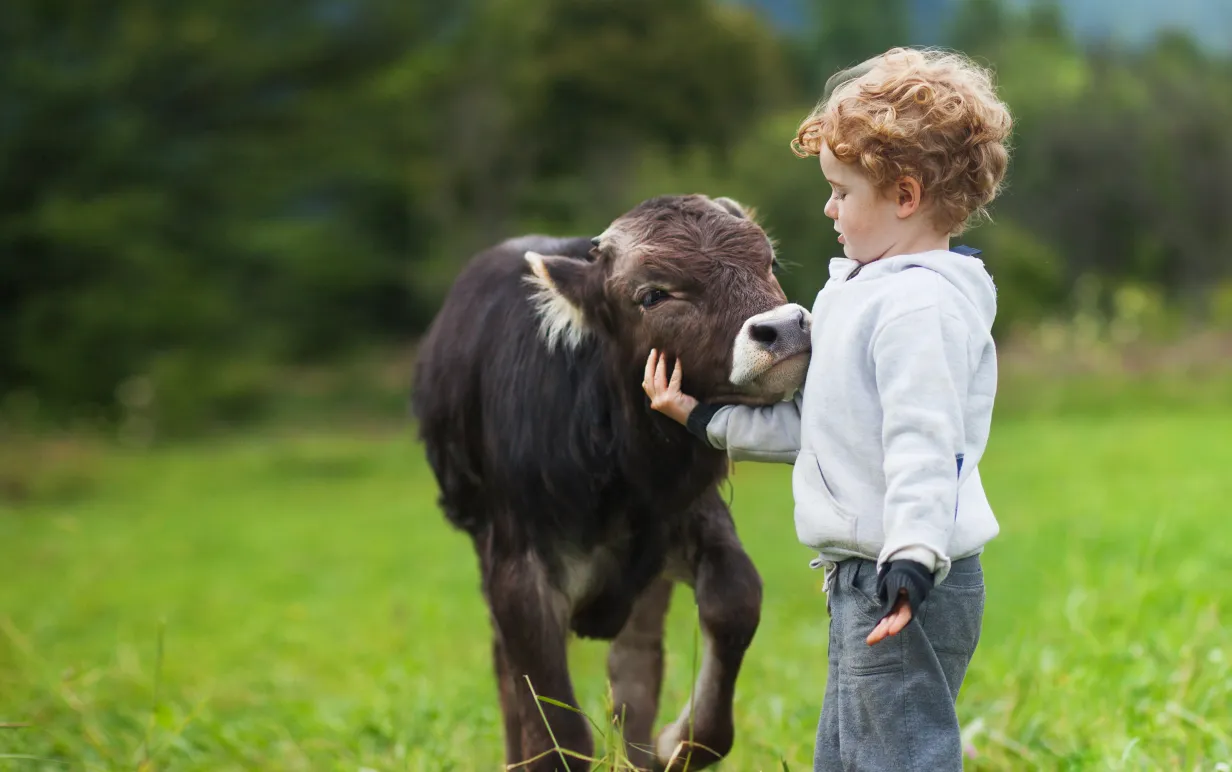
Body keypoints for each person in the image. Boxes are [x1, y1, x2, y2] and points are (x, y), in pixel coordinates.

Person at [642, 47, 1013, 771]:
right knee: (845, 756)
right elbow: (825, 429)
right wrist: (701, 419)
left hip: (902, 576)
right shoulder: (869, 293)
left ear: (904, 196)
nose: (828, 208)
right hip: (864, 574)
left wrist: (912, 556)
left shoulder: (918, 308)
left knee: (899, 758)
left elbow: (923, 442)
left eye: (841, 192)